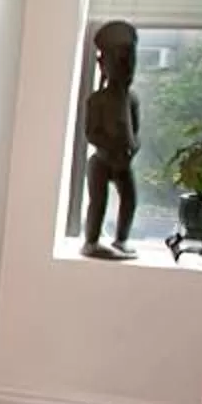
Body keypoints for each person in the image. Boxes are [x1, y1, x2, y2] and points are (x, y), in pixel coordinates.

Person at [80, 20, 140, 260]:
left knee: (130, 200)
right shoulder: (97, 100)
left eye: (128, 61)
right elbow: (91, 133)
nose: (125, 68)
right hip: (103, 161)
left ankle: (122, 238)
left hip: (123, 162)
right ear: (103, 65)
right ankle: (91, 241)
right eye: (119, 61)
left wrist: (132, 147)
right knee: (99, 202)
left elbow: (135, 130)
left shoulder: (131, 99)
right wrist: (110, 147)